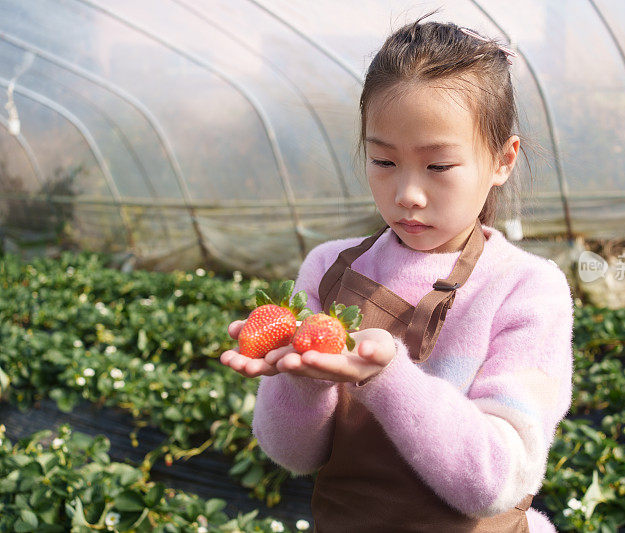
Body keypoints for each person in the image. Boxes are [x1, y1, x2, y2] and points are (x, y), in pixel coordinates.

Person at [220, 16, 574, 533]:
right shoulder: (329, 269)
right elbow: (294, 454)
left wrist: (386, 378)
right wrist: (302, 380)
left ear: (503, 159)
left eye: (438, 167)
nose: (407, 193)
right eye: (383, 160)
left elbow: (496, 481)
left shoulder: (524, 289)